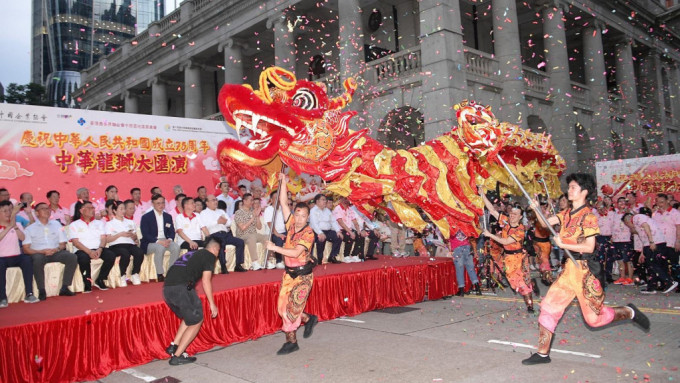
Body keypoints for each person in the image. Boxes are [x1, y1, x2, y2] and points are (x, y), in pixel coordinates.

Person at [523, 173, 650, 365]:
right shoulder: (565, 214)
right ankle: (542, 353)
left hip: (585, 271)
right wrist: (534, 209)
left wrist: (564, 243)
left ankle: (628, 311)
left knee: (594, 319)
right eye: (570, 187)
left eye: (573, 187)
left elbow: (589, 247)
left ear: (584, 192)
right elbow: (544, 223)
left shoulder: (589, 217)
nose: (569, 190)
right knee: (549, 308)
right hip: (568, 271)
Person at [266, 173, 318, 355]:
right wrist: (283, 182)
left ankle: (292, 341)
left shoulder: (308, 233)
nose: (300, 218)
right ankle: (308, 318)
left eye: (304, 216)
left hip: (303, 276)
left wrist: (275, 247)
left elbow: (296, 252)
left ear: (308, 217)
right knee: (282, 309)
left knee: (291, 311)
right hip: (288, 275)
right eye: (298, 214)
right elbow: (282, 202)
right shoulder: (291, 224)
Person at [163, 235, 221, 365]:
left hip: (167, 289)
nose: (217, 255)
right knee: (197, 320)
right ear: (214, 249)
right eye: (218, 251)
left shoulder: (192, 254)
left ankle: (174, 346)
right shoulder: (209, 256)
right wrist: (212, 304)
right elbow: (206, 281)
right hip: (181, 288)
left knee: (189, 317)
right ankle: (177, 356)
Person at [481, 187, 537, 312]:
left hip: (518, 258)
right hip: (507, 258)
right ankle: (528, 288)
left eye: (515, 214)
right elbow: (492, 210)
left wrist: (490, 235)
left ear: (520, 216)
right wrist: (482, 195)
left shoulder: (520, 229)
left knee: (522, 283)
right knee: (513, 283)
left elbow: (505, 241)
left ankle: (530, 305)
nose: (512, 216)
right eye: (511, 213)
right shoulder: (505, 221)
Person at [22, 202, 77, 300]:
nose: (47, 211)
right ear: (37, 213)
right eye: (43, 209)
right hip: (39, 253)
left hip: (55, 252)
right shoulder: (30, 229)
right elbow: (26, 249)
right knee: (37, 259)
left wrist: (56, 249)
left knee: (71, 257)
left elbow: (62, 244)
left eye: (48, 209)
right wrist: (42, 252)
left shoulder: (56, 225)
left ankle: (64, 287)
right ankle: (41, 290)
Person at [627, 208, 678, 294]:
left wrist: (651, 242)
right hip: (652, 243)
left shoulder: (637, 217)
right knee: (651, 265)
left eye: (627, 224)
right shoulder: (638, 223)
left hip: (655, 242)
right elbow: (644, 238)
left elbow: (646, 227)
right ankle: (651, 287)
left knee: (653, 264)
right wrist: (643, 253)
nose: (629, 228)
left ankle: (669, 281)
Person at [69, 201, 116, 291]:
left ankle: (100, 279)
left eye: (93, 208)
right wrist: (89, 252)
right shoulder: (74, 224)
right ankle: (87, 283)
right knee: (83, 259)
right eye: (89, 208)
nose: (92, 210)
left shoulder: (99, 223)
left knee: (111, 255)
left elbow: (103, 239)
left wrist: (100, 249)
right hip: (82, 249)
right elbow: (76, 243)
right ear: (81, 211)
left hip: (98, 248)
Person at [0, 200, 38, 307]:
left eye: (10, 210)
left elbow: (22, 237)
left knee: (27, 259)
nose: (8, 213)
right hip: (1, 258)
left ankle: (29, 294)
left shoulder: (17, 224)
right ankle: (2, 297)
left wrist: (14, 226)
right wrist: (8, 227)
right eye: (5, 211)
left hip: (16, 256)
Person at [200, 194, 247, 273]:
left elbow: (229, 222)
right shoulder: (203, 213)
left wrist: (224, 222)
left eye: (216, 200)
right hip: (214, 235)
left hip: (225, 233)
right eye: (213, 200)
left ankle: (238, 265)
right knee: (221, 243)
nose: (215, 202)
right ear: (207, 203)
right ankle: (223, 266)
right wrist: (217, 222)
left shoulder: (221, 211)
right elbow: (205, 225)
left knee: (240, 242)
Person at [140, 194, 181, 282]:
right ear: (153, 204)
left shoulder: (168, 216)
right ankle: (160, 273)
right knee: (160, 247)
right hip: (150, 242)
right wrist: (158, 241)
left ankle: (171, 272)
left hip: (165, 240)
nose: (161, 205)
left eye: (162, 203)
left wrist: (170, 240)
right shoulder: (146, 217)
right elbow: (145, 234)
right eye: (158, 203)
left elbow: (171, 231)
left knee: (176, 247)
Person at [105, 201, 144, 287]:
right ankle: (122, 275)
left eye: (124, 209)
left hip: (129, 244)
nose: (123, 211)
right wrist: (120, 234)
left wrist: (133, 236)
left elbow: (135, 238)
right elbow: (108, 239)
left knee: (139, 252)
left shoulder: (130, 222)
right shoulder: (109, 224)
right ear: (114, 211)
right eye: (121, 209)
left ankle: (135, 273)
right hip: (116, 245)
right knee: (125, 254)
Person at [233, 193, 267, 270]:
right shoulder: (238, 212)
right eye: (251, 200)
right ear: (244, 201)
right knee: (252, 237)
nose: (252, 202)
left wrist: (257, 216)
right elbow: (243, 228)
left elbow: (259, 227)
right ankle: (254, 262)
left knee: (267, 237)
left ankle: (269, 260)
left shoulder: (253, 211)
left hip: (254, 234)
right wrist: (253, 218)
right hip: (243, 235)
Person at [652, 193, 680, 284]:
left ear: (667, 201)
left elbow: (678, 227)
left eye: (662, 202)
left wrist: (678, 241)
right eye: (658, 202)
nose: (660, 205)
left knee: (674, 264)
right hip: (660, 243)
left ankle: (677, 283)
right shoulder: (656, 214)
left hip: (671, 242)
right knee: (661, 263)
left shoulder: (675, 213)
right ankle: (666, 283)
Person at [309, 194, 342, 264]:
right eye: (323, 200)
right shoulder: (313, 211)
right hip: (316, 231)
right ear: (317, 201)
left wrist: (338, 231)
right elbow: (314, 225)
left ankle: (332, 256)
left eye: (325, 200)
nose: (325, 201)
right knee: (321, 239)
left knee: (338, 237)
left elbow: (333, 221)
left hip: (328, 231)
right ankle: (319, 259)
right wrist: (320, 233)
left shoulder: (327, 210)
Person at [333, 197, 363, 263]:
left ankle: (354, 255)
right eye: (344, 198)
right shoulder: (337, 208)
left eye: (347, 199)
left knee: (360, 235)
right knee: (349, 236)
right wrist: (350, 232)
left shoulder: (350, 209)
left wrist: (358, 230)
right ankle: (346, 256)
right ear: (340, 199)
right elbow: (340, 222)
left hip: (349, 229)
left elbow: (354, 221)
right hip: (341, 229)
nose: (346, 200)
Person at [451, 229, 481, 296]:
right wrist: (475, 251)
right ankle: (477, 288)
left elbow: (446, 237)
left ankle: (461, 290)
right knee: (471, 269)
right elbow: (472, 239)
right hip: (467, 247)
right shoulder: (465, 224)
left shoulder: (451, 225)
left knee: (459, 270)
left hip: (457, 248)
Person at [612, 197, 634, 286]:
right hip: (616, 239)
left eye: (623, 202)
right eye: (619, 202)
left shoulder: (629, 213)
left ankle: (630, 278)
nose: (621, 203)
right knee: (619, 260)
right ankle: (622, 277)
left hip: (626, 239)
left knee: (628, 260)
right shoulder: (614, 214)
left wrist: (628, 211)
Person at [532, 199, 554, 286]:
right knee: (541, 260)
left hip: (545, 243)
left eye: (544, 206)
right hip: (537, 242)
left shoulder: (549, 216)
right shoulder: (536, 215)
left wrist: (549, 205)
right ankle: (545, 276)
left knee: (545, 260)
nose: (542, 207)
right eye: (541, 206)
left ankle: (547, 277)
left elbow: (545, 219)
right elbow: (542, 217)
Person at [264, 190, 287, 268]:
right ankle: (279, 261)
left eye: (279, 197)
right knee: (279, 239)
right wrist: (278, 234)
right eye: (276, 198)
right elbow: (270, 224)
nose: (278, 199)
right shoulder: (269, 210)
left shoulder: (283, 208)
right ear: (272, 199)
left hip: (284, 231)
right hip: (273, 233)